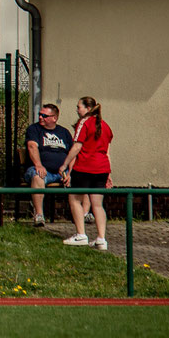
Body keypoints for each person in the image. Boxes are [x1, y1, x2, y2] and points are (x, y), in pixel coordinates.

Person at [61, 96, 113, 249]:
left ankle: (81, 234)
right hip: (102, 169)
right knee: (97, 204)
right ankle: (101, 239)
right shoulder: (105, 126)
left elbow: (77, 146)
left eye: (79, 107)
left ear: (88, 109)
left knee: (75, 199)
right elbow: (107, 152)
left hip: (85, 167)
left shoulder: (84, 123)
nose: (77, 110)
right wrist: (109, 173)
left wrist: (64, 164)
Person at [24, 103, 73, 226]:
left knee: (80, 177)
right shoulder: (34, 129)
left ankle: (84, 213)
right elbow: (32, 146)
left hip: (62, 172)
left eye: (44, 115)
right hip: (43, 170)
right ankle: (39, 215)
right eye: (40, 115)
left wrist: (70, 173)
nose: (40, 117)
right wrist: (38, 164)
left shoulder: (64, 132)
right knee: (37, 176)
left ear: (54, 118)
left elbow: (73, 154)